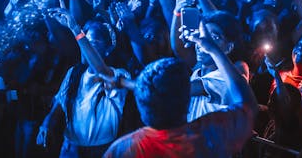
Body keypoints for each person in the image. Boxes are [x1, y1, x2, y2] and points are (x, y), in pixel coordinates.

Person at [103, 18, 259, 157]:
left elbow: (165, 87)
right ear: (185, 102)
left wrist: (123, 82)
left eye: (214, 38)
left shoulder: (124, 149)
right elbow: (248, 107)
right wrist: (213, 49)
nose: (202, 43)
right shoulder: (213, 133)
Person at [37, 11, 131, 158]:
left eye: (91, 43)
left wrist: (75, 29)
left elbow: (101, 71)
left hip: (102, 150)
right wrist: (48, 122)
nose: (85, 47)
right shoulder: (74, 72)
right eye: (84, 42)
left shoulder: (119, 75)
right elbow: (60, 103)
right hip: (70, 148)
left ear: (108, 49)